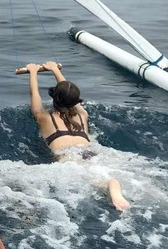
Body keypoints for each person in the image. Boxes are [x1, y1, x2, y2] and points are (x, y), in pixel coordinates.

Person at [24, 61, 130, 211]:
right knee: (99, 176)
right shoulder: (82, 115)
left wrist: (33, 71)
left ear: (54, 96)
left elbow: (34, 93)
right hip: (93, 152)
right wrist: (55, 69)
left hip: (69, 157)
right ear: (76, 101)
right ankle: (113, 186)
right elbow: (69, 93)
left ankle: (111, 185)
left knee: (90, 179)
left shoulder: (44, 117)